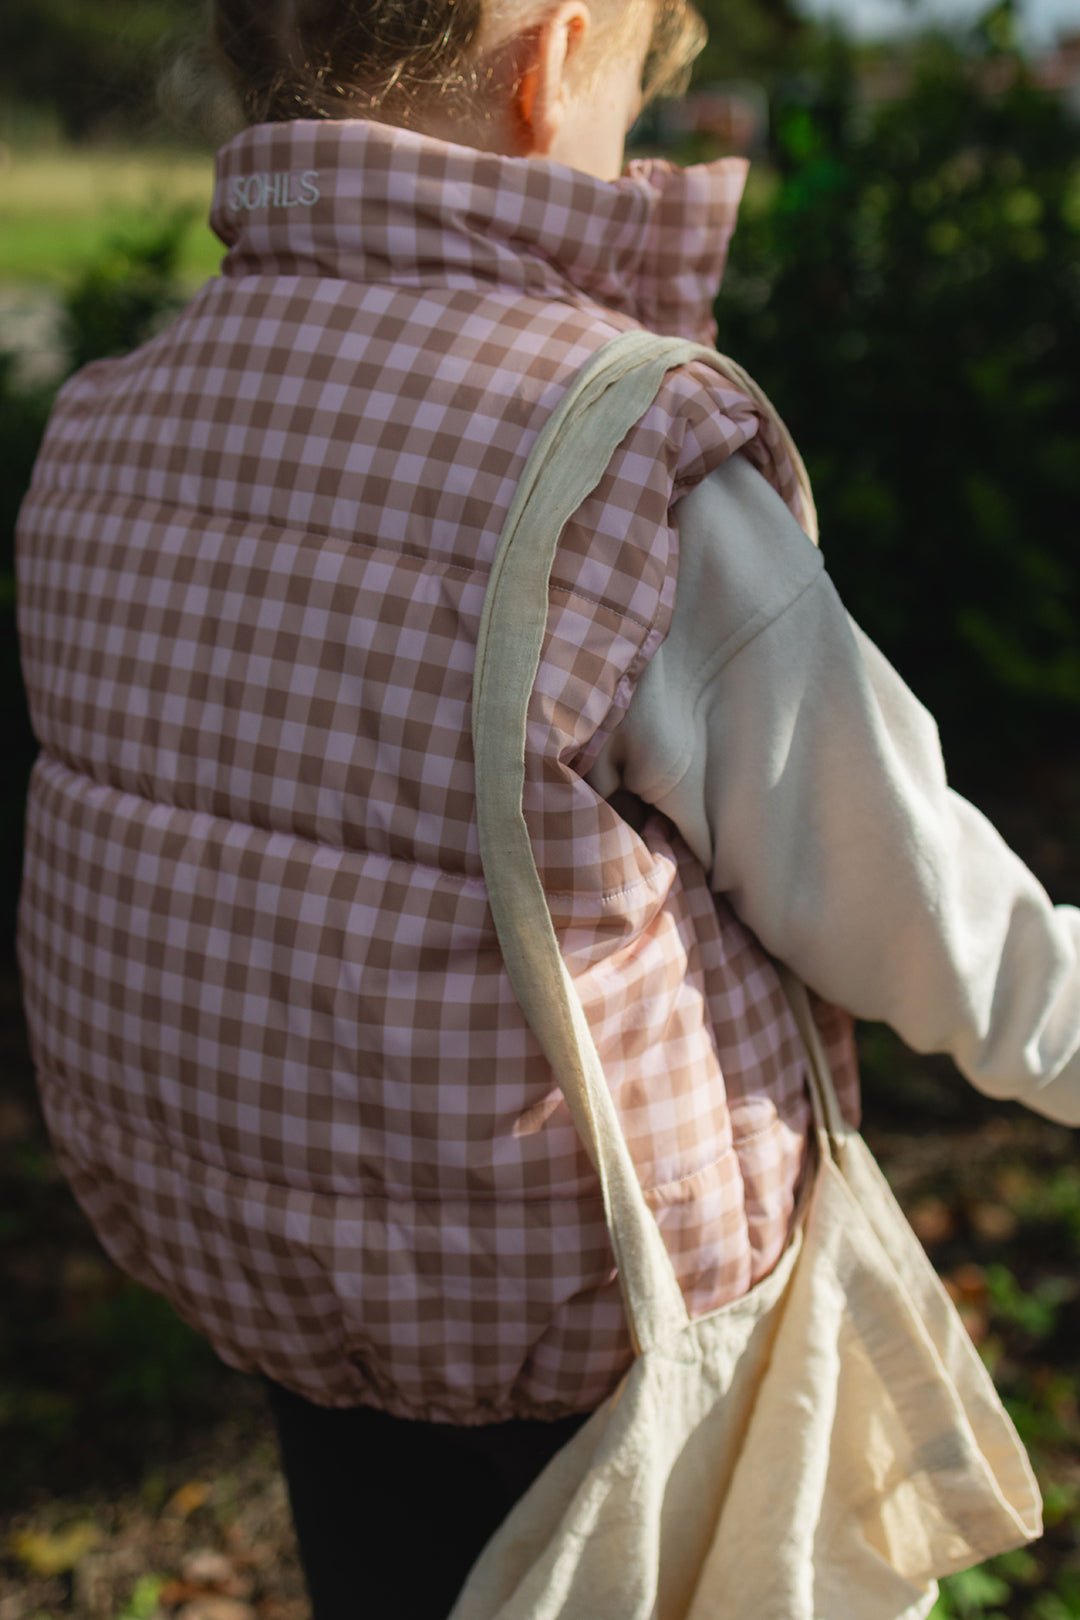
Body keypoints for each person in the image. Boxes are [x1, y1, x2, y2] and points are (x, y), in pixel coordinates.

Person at [14, 0, 1080, 1615]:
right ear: (553, 59)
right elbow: (908, 900)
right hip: (612, 1355)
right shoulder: (618, 451)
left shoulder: (111, 425)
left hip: (290, 1284)